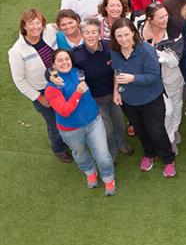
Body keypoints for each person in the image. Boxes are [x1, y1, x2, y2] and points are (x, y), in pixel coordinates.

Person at [110, 18, 176, 177]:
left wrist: (133, 78)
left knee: (157, 132)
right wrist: (116, 91)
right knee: (141, 131)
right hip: (129, 102)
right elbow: (116, 72)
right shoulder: (114, 51)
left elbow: (154, 77)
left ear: (133, 32)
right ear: (114, 37)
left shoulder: (146, 50)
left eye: (126, 34)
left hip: (151, 101)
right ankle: (149, 154)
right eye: (119, 36)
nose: (123, 39)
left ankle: (168, 159)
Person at [44, 49, 116, 195]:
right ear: (53, 65)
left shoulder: (78, 72)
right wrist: (78, 93)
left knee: (103, 154)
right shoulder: (51, 87)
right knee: (80, 154)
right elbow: (64, 111)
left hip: (94, 121)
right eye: (60, 60)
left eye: (67, 59)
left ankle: (109, 179)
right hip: (70, 130)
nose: (65, 62)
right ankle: (90, 172)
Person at [9, 9, 72, 162]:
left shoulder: (49, 30)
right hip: (42, 90)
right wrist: (38, 97)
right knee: (54, 122)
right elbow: (19, 80)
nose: (35, 27)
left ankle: (72, 139)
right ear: (24, 26)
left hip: (61, 81)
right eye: (31, 24)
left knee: (68, 112)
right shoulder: (16, 51)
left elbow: (60, 25)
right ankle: (59, 149)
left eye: (38, 23)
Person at [72, 18, 131, 161]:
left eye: (94, 32)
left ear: (99, 33)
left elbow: (118, 67)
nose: (90, 35)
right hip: (94, 100)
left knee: (119, 123)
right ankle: (112, 153)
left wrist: (117, 91)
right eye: (86, 32)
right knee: (107, 129)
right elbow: (60, 68)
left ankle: (122, 144)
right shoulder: (75, 54)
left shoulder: (109, 47)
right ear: (81, 34)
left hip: (113, 95)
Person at [139, 1, 185, 152]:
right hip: (150, 79)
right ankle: (169, 137)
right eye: (160, 17)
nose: (165, 19)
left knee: (176, 104)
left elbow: (173, 61)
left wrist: (154, 52)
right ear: (149, 19)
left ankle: (174, 129)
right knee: (167, 111)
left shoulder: (175, 30)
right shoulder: (138, 26)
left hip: (171, 77)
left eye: (166, 15)